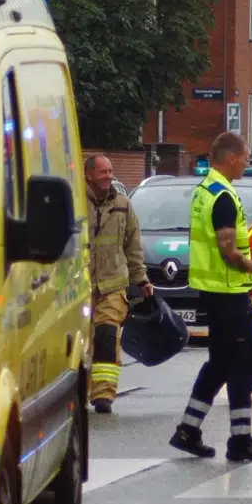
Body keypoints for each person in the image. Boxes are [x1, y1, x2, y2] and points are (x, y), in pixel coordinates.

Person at [169, 131, 252, 461]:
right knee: (245, 367)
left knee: (219, 363)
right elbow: (227, 249)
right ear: (231, 157)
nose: (246, 163)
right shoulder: (223, 197)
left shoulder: (205, 190)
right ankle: (241, 440)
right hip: (230, 293)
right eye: (245, 157)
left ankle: (188, 430)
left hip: (213, 292)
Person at [85, 154, 153, 413]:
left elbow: (133, 247)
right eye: (103, 172)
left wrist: (142, 279)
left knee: (106, 335)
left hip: (113, 286)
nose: (108, 176)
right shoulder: (76, 204)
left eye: (110, 171)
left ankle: (103, 395)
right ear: (89, 175)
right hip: (80, 287)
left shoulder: (123, 204)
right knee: (81, 342)